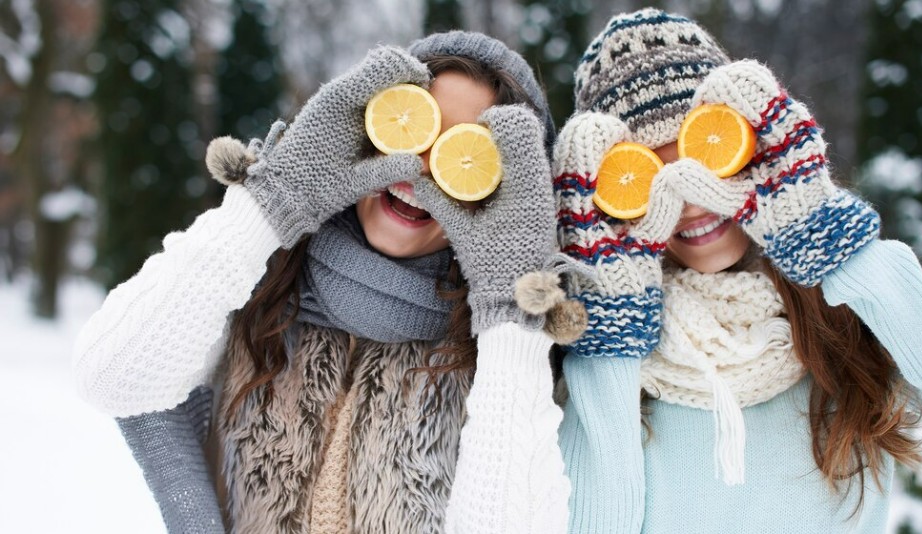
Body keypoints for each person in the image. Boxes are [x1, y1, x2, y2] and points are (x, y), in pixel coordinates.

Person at [73, 31, 572, 534]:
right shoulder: (256, 276)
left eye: (463, 157)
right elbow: (113, 378)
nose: (416, 173)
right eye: (407, 130)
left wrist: (511, 309)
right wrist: (273, 202)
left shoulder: (510, 356)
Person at [552, 8, 922, 533]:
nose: (689, 201)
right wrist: (609, 330)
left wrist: (827, 237)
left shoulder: (848, 312)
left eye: (705, 157)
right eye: (650, 177)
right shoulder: (599, 360)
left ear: (754, 151)